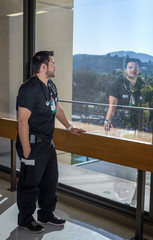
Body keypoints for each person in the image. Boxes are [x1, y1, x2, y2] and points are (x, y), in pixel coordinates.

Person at [16, 50, 85, 233]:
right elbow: (22, 120)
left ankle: (46, 214)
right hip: (32, 144)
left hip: (47, 144)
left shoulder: (51, 85)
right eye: (53, 63)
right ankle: (25, 219)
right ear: (43, 66)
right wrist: (26, 149)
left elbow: (58, 108)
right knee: (30, 184)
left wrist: (69, 127)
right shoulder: (29, 89)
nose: (55, 66)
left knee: (50, 181)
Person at [104, 58, 142, 131]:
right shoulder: (117, 84)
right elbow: (112, 105)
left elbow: (146, 107)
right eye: (130, 67)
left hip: (136, 124)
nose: (133, 70)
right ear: (125, 70)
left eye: (135, 67)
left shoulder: (142, 86)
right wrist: (108, 121)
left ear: (139, 70)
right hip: (119, 124)